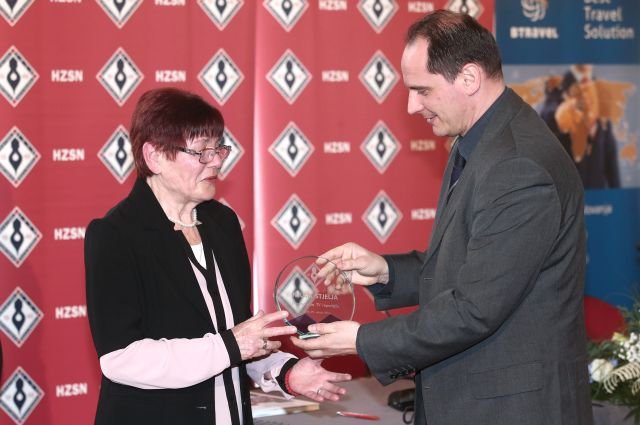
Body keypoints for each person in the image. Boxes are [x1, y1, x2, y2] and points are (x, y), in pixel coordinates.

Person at [293, 10, 593, 425]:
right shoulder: (481, 141)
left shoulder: (518, 165)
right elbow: (471, 268)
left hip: (510, 410)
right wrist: (385, 271)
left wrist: (363, 340)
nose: (412, 106)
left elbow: (475, 308)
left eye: (422, 90)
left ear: (469, 78)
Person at [85, 87, 350, 425]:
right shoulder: (115, 235)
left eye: (219, 148)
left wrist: (284, 372)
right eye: (201, 151)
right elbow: (121, 359)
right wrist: (232, 345)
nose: (217, 160)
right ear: (154, 157)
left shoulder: (222, 223)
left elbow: (237, 337)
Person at [540, 64, 621, 189]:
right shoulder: (559, 85)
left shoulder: (599, 89)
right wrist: (570, 107)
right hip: (568, 189)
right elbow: (547, 115)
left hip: (597, 189)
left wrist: (617, 191)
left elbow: (609, 155)